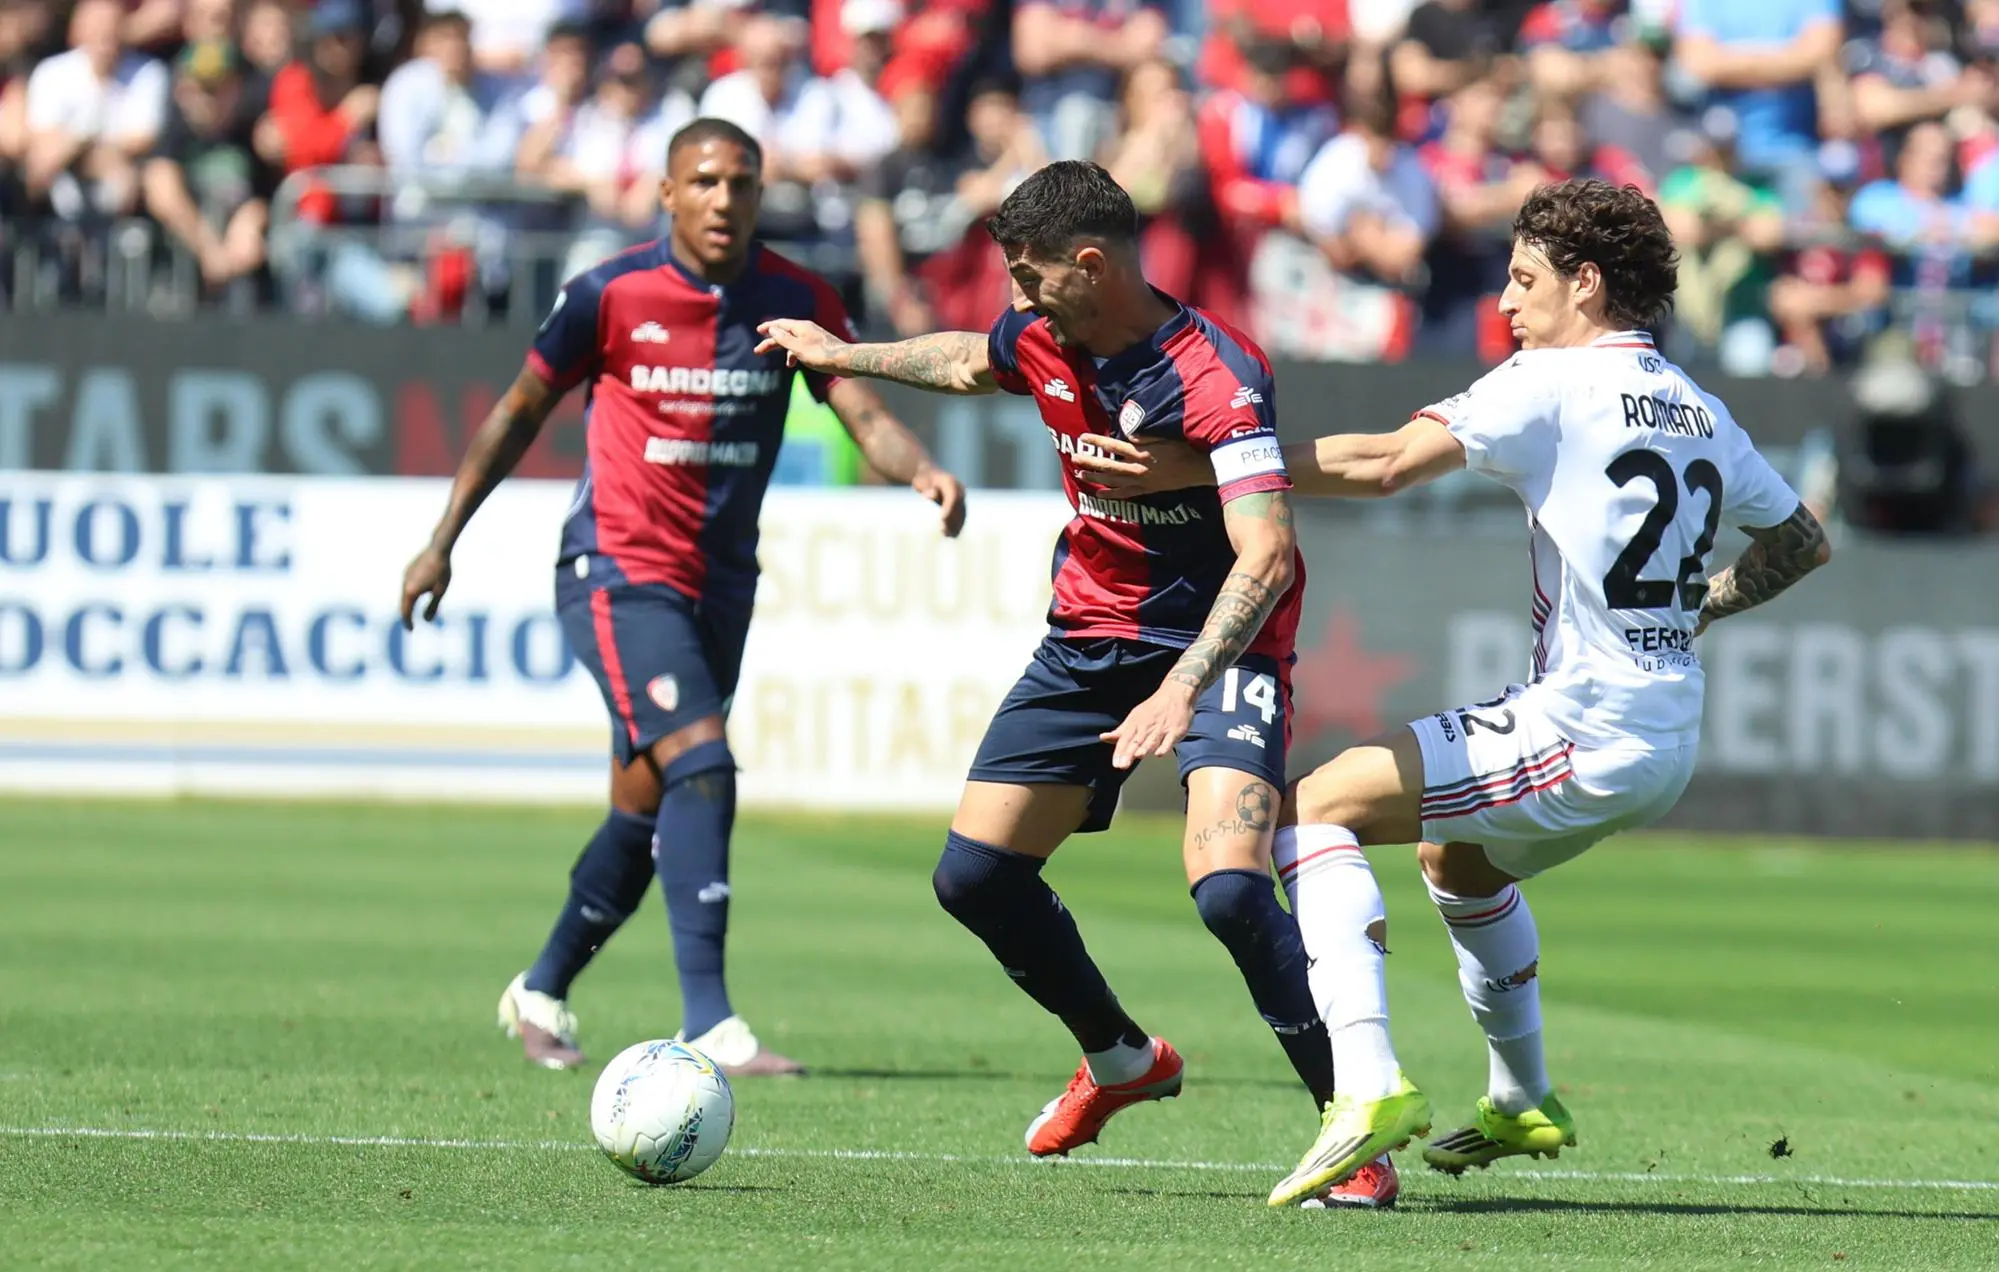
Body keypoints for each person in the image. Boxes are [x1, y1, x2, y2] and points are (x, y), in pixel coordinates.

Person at [1069, 179, 1833, 1208]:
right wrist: (1697, 607)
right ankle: (1522, 1096)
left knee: (1311, 812)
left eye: (1524, 281)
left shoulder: (1549, 381)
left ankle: (1365, 1085)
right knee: (1456, 856)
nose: (1508, 306)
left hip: (1589, 725)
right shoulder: (1696, 404)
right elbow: (1800, 541)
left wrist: (1208, 471)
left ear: (1587, 283)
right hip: (1662, 730)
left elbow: (1383, 461)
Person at [756, 160, 1341, 1163]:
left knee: (1231, 890)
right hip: (1087, 634)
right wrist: (843, 355)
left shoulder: (1216, 374)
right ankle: (1119, 1056)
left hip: (1220, 647)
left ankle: (1350, 1121)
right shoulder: (1039, 332)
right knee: (974, 877)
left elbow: (1268, 550)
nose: (1014, 300)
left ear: (1090, 264)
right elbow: (964, 360)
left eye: (1027, 277)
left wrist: (1183, 683)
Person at [399, 117, 967, 1078]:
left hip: (720, 586)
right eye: (702, 181)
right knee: (702, 762)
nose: (722, 199)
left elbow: (860, 407)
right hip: (616, 573)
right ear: (666, 194)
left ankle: (539, 987)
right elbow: (516, 414)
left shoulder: (796, 298)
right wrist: (441, 540)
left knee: (644, 805)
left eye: (740, 182)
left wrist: (920, 473)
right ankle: (710, 1021)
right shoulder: (609, 296)